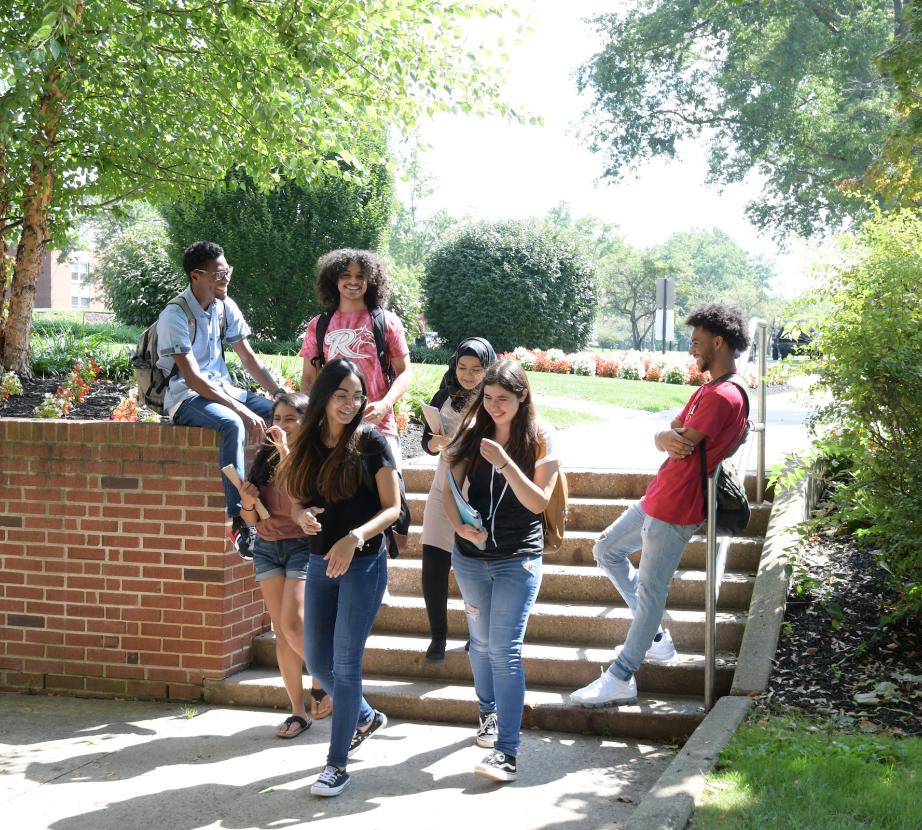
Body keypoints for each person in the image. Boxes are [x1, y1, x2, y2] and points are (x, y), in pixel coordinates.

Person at [570, 303, 750, 708]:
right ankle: (654, 637)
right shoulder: (708, 390)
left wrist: (668, 436)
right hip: (659, 495)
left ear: (718, 342)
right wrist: (662, 436)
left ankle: (621, 676)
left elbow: (682, 441)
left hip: (678, 506)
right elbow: (670, 436)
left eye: (697, 342)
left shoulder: (724, 396)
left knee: (652, 592)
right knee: (607, 549)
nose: (691, 350)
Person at [277, 358, 400, 798]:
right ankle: (365, 715)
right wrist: (300, 514)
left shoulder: (371, 441)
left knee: (345, 665)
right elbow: (296, 501)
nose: (350, 403)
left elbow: (393, 508)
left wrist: (354, 538)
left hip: (363, 562)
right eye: (341, 394)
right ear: (325, 396)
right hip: (319, 561)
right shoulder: (308, 443)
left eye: (357, 395)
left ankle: (336, 765)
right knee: (316, 655)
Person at [443, 359, 560, 783]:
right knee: (479, 644)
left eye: (503, 400)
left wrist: (507, 463)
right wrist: (460, 528)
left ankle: (507, 752)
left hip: (518, 559)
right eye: (488, 398)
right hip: (471, 558)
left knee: (504, 649)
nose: (493, 407)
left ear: (522, 396)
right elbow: (447, 491)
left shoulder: (541, 439)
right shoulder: (473, 432)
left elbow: (538, 503)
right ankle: (488, 712)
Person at [156, 240, 286, 559]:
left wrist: (280, 395)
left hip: (223, 389)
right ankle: (240, 521)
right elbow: (192, 378)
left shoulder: (225, 306)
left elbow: (249, 359)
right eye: (218, 273)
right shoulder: (175, 314)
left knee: (277, 414)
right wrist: (239, 408)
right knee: (232, 424)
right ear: (196, 276)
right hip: (185, 397)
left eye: (227, 270)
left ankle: (268, 492)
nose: (226, 277)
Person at [238, 392, 331, 735]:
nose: (282, 426)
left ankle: (326, 682)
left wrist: (285, 451)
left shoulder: (315, 455)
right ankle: (297, 711)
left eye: (291, 419)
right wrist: (248, 503)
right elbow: (250, 519)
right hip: (267, 546)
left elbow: (304, 493)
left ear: (308, 422)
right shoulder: (265, 457)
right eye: (277, 419)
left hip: (303, 546)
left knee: (295, 625)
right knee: (281, 632)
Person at [420, 336, 496, 662]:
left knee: (474, 570)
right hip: (442, 485)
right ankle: (438, 636)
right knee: (433, 564)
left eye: (476, 369)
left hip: (477, 491)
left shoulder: (495, 398)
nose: (467, 374)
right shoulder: (444, 393)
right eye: (462, 367)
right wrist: (436, 444)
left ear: (488, 369)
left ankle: (476, 634)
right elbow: (426, 443)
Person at [299, 249, 411, 467]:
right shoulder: (318, 325)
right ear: (333, 279)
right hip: (332, 429)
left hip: (379, 426)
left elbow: (405, 372)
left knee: (389, 496)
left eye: (360, 276)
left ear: (372, 280)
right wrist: (310, 420)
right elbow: (309, 379)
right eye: (346, 275)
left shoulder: (386, 322)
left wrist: (384, 405)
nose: (353, 281)